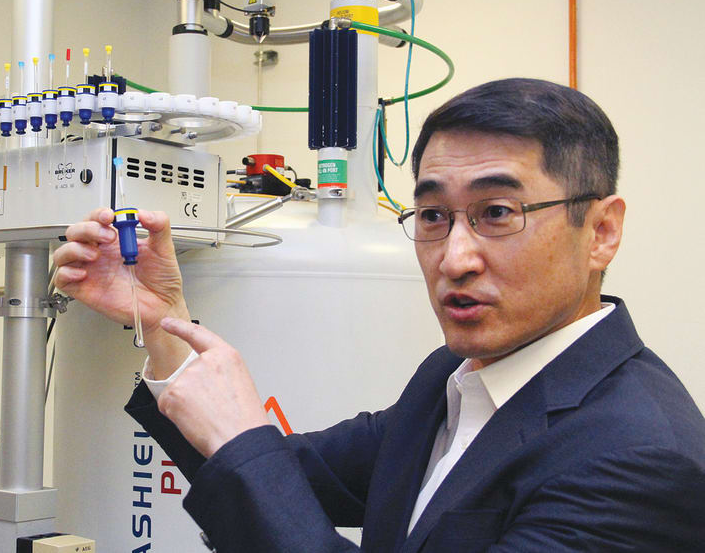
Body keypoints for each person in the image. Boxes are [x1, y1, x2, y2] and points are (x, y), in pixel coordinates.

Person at [53, 78, 705, 552]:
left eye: (497, 213)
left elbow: (253, 468)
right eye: (432, 216)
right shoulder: (453, 378)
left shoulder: (640, 457)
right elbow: (283, 481)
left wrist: (239, 435)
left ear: (601, 231)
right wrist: (166, 323)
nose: (454, 258)